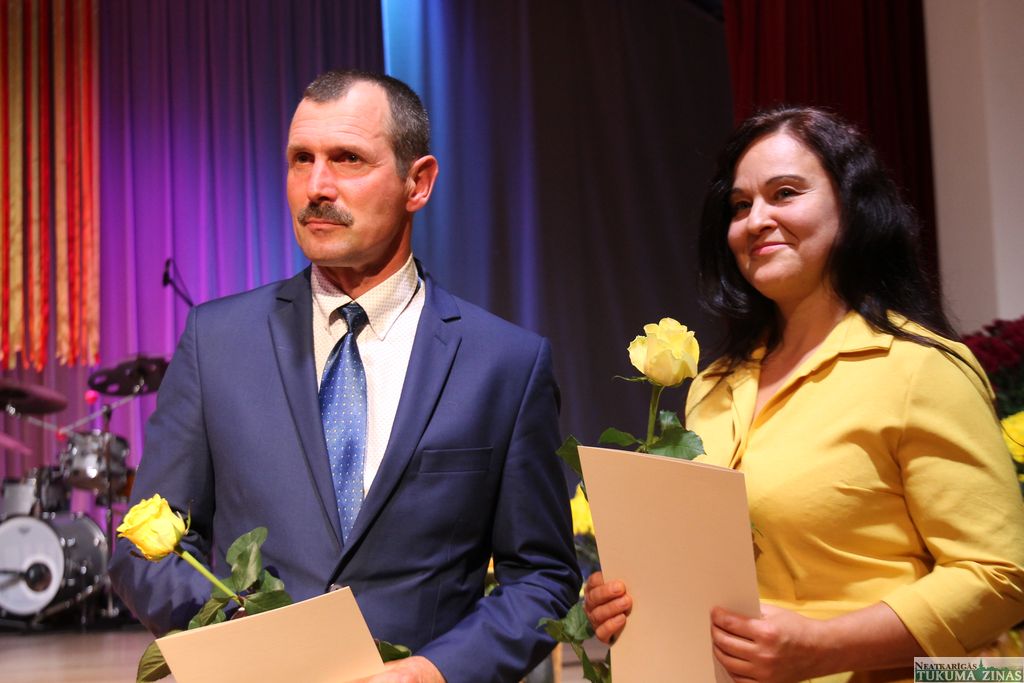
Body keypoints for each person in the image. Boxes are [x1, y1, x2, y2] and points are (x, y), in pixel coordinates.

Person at [109, 70, 580, 683]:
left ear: (418, 183)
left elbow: (542, 576)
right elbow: (144, 550)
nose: (317, 186)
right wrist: (244, 642)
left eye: (347, 159)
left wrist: (435, 671)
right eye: (300, 159)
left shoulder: (505, 364)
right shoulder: (216, 342)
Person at [583, 106, 1024, 682]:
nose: (755, 220)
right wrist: (629, 596)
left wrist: (826, 647)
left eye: (784, 193)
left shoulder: (921, 368)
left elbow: (1000, 577)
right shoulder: (714, 384)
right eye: (739, 206)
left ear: (853, 206)